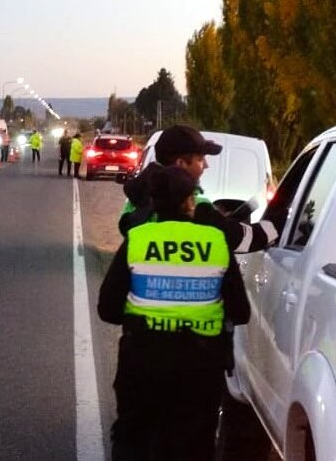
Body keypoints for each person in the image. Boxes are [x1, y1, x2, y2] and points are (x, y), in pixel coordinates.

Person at [98, 166, 251, 461]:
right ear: (189, 202)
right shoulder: (215, 241)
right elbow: (241, 312)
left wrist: (143, 319)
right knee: (193, 443)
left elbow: (107, 309)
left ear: (153, 202)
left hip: (142, 359)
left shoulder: (138, 238)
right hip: (200, 364)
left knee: (133, 437)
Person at [119, 124, 285, 253]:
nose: (206, 165)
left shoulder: (135, 201)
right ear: (181, 164)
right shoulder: (192, 205)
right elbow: (241, 239)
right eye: (200, 159)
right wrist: (280, 221)